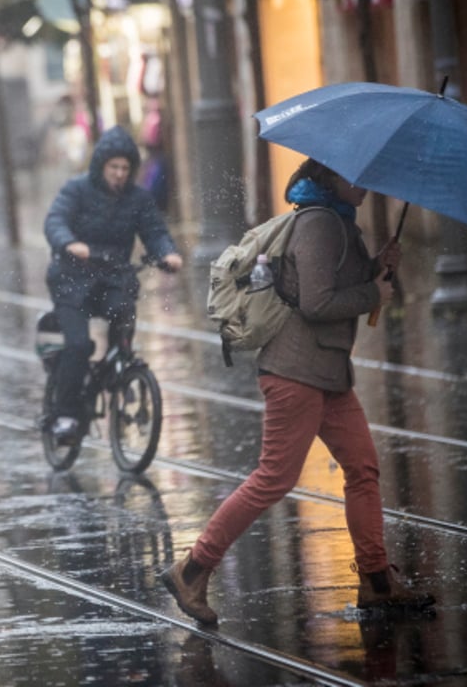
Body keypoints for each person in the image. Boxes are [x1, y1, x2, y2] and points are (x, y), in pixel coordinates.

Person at [160, 158, 433, 625]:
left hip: (327, 373)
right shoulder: (319, 223)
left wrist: (375, 267)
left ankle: (377, 581)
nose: (363, 183)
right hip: (296, 372)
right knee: (273, 478)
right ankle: (192, 569)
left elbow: (332, 279)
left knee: (362, 467)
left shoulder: (338, 222)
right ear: (331, 175)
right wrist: (374, 294)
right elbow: (316, 302)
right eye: (355, 174)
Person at [43, 125, 183, 441]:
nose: (120, 174)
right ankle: (64, 415)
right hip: (72, 280)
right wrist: (69, 243)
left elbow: (155, 232)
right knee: (78, 345)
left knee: (123, 321)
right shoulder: (76, 190)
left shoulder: (138, 199)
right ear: (101, 166)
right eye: (113, 167)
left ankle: (118, 376)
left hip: (113, 279)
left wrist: (167, 254)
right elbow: (55, 220)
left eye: (125, 168)